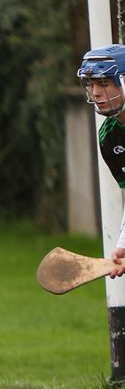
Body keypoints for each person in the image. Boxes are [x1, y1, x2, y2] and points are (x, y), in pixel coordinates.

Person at [77, 44, 125, 278]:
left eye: (104, 83)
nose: (95, 92)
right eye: (91, 84)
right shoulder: (109, 137)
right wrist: (124, 245)